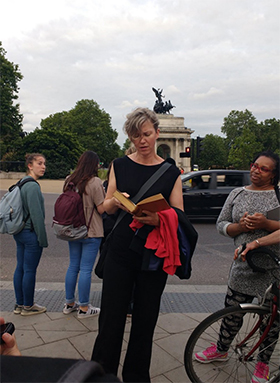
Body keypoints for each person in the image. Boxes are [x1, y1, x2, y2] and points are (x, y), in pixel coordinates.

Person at [91, 108, 183, 382]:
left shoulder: (171, 171)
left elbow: (179, 213)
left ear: (157, 133)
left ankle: (136, 376)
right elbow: (106, 207)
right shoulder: (119, 164)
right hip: (121, 250)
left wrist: (159, 218)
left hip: (153, 254)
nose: (141, 140)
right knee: (110, 320)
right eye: (135, 135)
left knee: (145, 321)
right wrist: (116, 202)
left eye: (146, 134)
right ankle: (102, 375)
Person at [195, 151, 280, 383]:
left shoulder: (278, 195)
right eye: (254, 165)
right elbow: (221, 225)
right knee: (232, 312)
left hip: (274, 267)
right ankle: (222, 349)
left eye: (263, 168)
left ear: (273, 175)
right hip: (243, 264)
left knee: (271, 321)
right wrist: (239, 227)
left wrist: (265, 223)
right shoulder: (236, 193)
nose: (256, 170)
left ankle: (263, 362)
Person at [63, 151, 105, 319]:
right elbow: (101, 209)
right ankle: (84, 308)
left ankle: (69, 303)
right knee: (86, 269)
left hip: (73, 230)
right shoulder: (94, 182)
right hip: (91, 230)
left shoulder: (69, 180)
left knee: (73, 266)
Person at [13, 153, 48, 316]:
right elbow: (37, 216)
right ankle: (28, 305)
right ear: (30, 165)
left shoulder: (21, 183)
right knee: (29, 270)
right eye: (39, 163)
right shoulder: (33, 186)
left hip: (19, 231)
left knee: (20, 268)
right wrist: (42, 239)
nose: (43, 167)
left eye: (44, 164)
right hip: (30, 233)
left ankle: (19, 304)